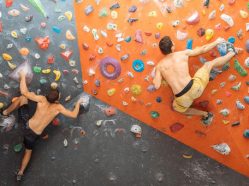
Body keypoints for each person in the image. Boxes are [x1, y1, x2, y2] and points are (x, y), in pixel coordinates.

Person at [1, 71, 84, 181]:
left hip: (27, 125)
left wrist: (22, 76)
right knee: (28, 151)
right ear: (57, 99)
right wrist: (78, 103)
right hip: (34, 135)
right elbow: (73, 115)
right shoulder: (58, 108)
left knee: (22, 98)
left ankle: (5, 113)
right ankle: (20, 172)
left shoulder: (42, 99)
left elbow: (24, 92)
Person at [152, 36, 241, 124]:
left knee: (177, 108)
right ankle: (232, 52)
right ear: (172, 47)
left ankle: (205, 114)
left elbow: (156, 85)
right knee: (208, 64)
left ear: (162, 51)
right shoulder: (183, 54)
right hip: (195, 88)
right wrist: (216, 42)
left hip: (182, 98)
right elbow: (203, 49)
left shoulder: (159, 66)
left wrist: (156, 72)